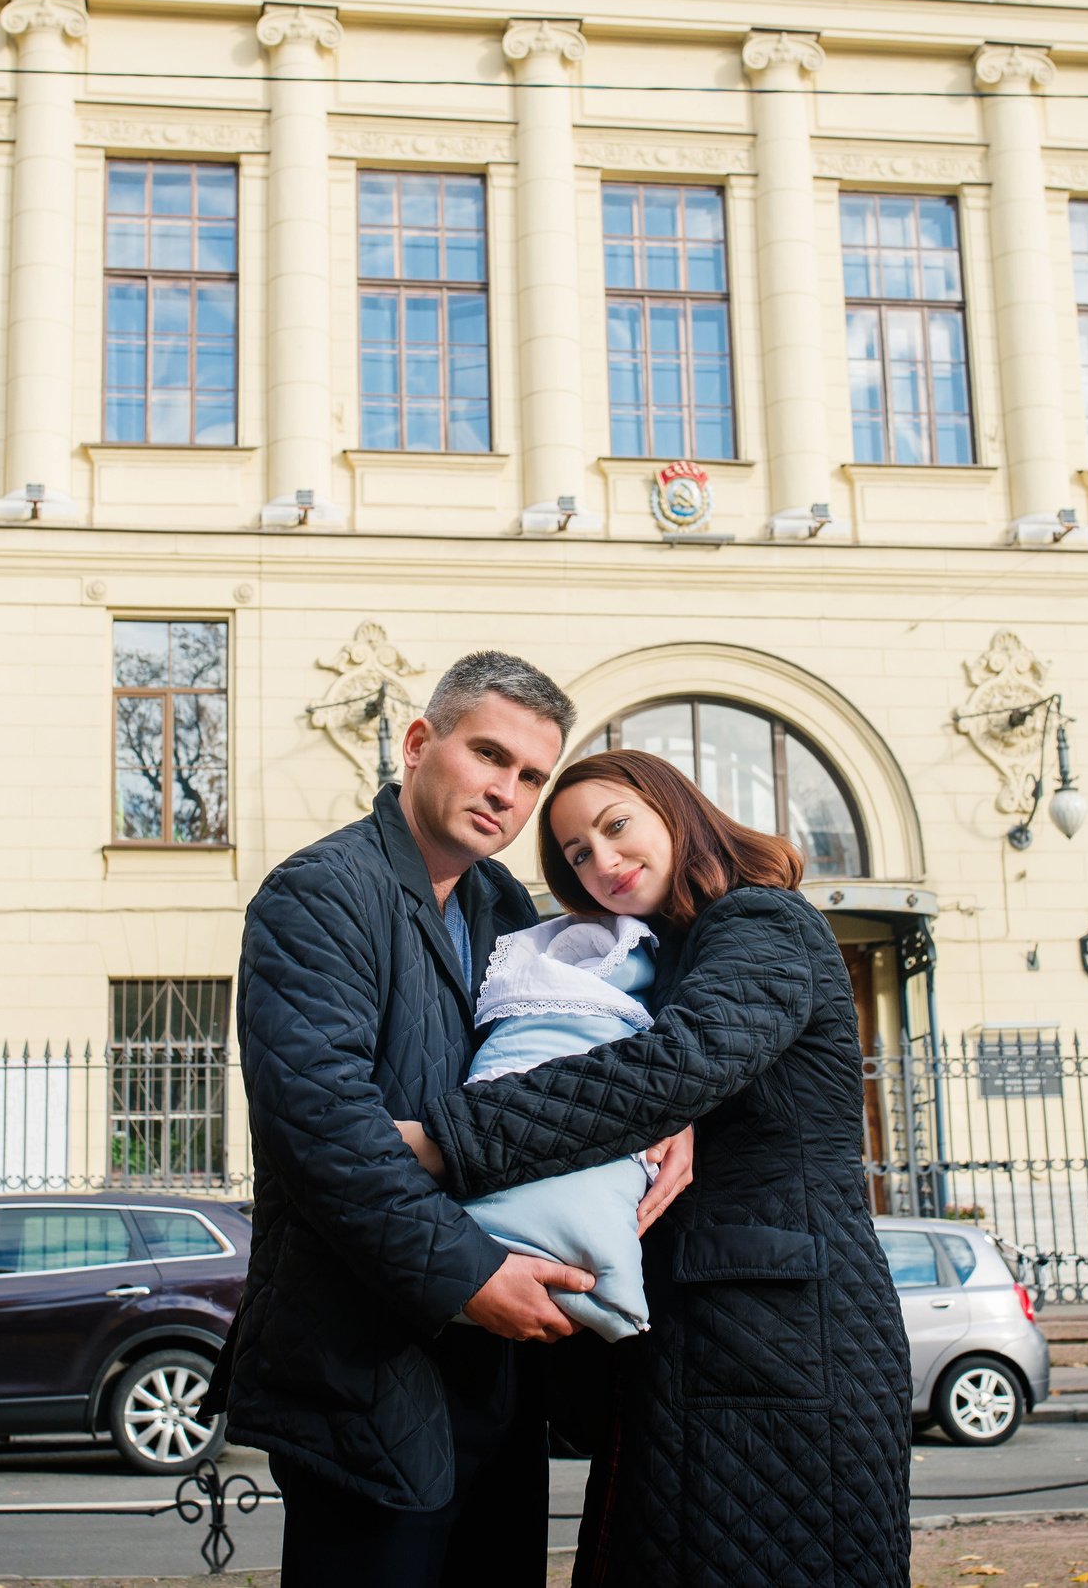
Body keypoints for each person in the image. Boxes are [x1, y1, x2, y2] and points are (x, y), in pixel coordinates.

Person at [225, 652, 691, 1588]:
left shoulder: (505, 907)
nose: (507, 792)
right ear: (417, 742)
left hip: (500, 1371)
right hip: (367, 1367)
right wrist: (474, 1274)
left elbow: (572, 1051)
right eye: (490, 755)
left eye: (530, 777)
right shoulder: (319, 894)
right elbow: (323, 1134)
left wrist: (674, 1114)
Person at [403, 748, 913, 1588]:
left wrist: (444, 1138)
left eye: (615, 826)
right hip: (713, 1341)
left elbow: (674, 1066)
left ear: (674, 809)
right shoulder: (674, 953)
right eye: (575, 853)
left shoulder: (762, 921)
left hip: (778, 1342)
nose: (602, 861)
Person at [454, 912, 663, 1341]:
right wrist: (459, 1273)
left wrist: (679, 1110)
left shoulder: (500, 903)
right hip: (438, 1283)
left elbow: (706, 1055)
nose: (607, 865)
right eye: (578, 854)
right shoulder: (506, 916)